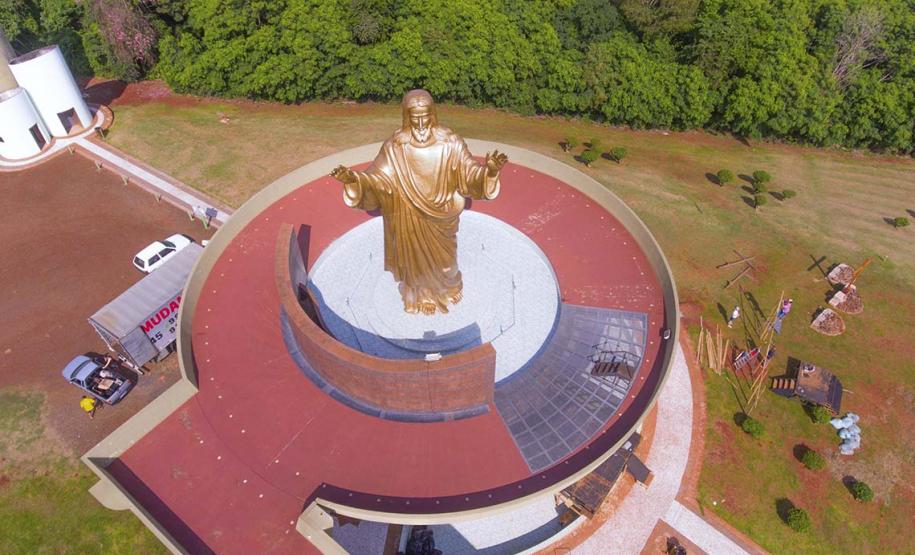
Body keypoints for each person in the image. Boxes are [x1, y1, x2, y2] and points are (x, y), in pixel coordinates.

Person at [330, 89, 508, 315]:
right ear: (407, 117)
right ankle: (421, 294)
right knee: (415, 262)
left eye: (425, 117)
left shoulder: (450, 142)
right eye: (415, 118)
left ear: (433, 114)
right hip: (408, 215)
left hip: (442, 215)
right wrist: (354, 180)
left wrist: (489, 173)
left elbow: (468, 171)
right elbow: (379, 178)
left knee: (447, 261)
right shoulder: (395, 146)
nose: (422, 124)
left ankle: (449, 286)